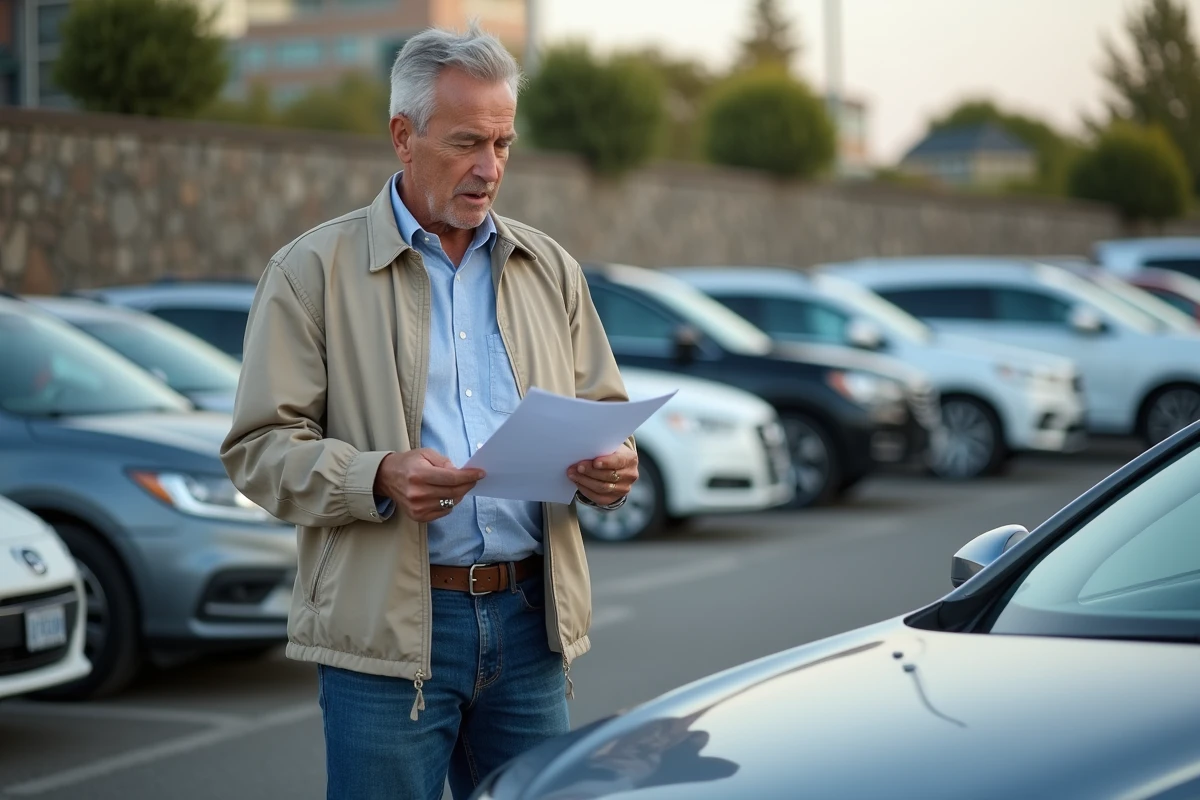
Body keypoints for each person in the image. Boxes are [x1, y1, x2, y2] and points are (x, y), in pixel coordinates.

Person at [219, 22, 639, 800]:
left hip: (529, 624)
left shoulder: (549, 268)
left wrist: (612, 469)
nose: (490, 169)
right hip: (389, 641)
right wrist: (374, 475)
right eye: (467, 143)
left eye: (504, 143)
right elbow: (258, 449)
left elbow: (605, 411)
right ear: (402, 137)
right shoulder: (311, 271)